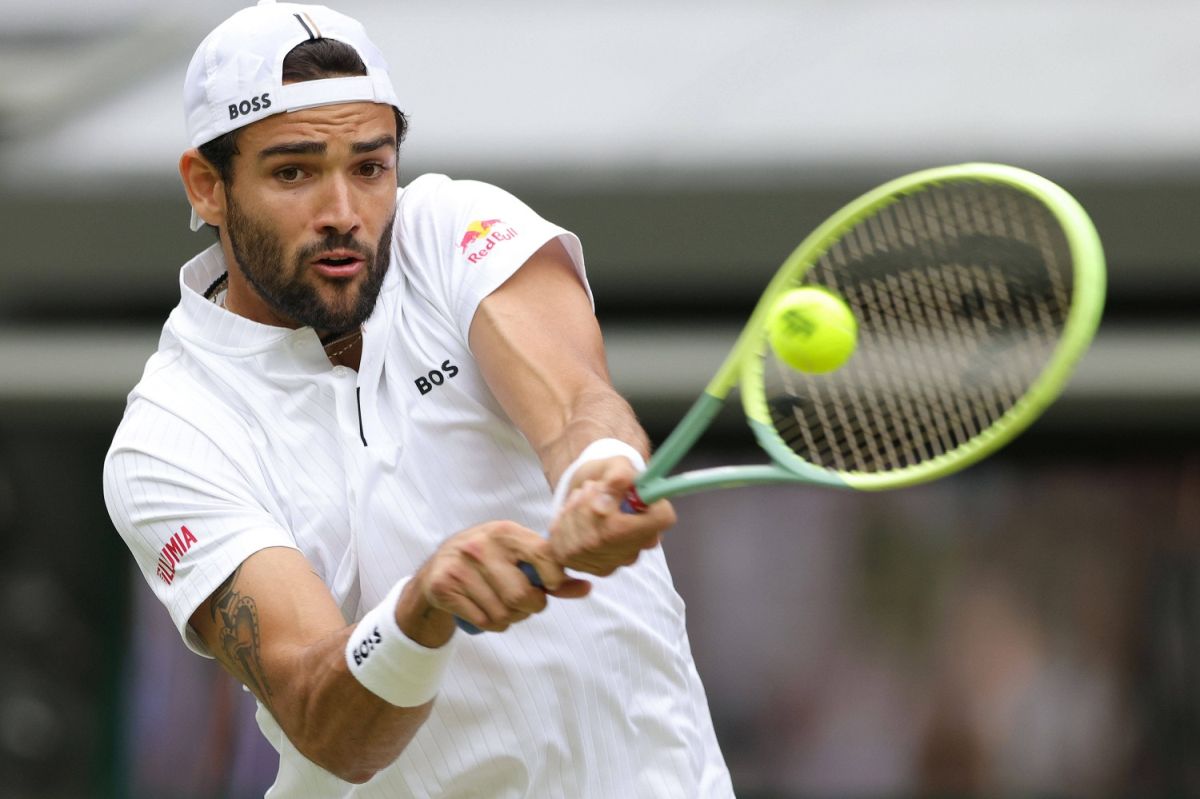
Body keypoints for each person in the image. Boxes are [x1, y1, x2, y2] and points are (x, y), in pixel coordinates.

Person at [102, 1, 735, 796]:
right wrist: (419, 611)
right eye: (294, 172)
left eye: (370, 168)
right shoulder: (169, 434)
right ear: (207, 186)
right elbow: (325, 722)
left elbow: (577, 401)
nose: (343, 214)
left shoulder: (450, 227)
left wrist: (596, 470)